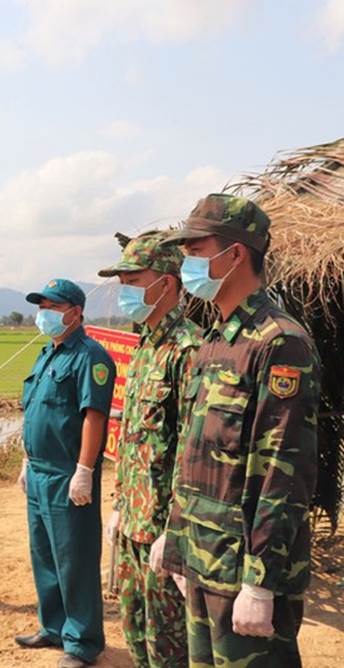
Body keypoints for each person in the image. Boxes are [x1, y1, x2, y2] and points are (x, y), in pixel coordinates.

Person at [160, 194, 321, 667]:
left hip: (244, 575)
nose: (186, 260)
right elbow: (193, 453)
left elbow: (282, 471)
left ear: (234, 254)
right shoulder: (212, 341)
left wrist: (261, 580)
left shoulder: (280, 343)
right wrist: (177, 542)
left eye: (195, 249)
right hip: (203, 560)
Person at [97, 232, 201, 667]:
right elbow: (136, 439)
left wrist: (174, 530)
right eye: (122, 282)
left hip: (163, 530)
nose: (125, 292)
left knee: (169, 646)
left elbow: (192, 451)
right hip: (134, 524)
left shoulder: (188, 350)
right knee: (136, 634)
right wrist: (120, 505)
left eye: (133, 281)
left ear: (168, 284)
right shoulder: (143, 347)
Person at [15, 278, 115, 668]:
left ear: (75, 312)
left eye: (53, 308)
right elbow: (35, 413)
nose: (45, 314)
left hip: (67, 473)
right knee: (44, 555)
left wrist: (85, 470)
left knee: (75, 558)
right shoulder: (46, 354)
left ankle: (83, 641)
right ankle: (53, 626)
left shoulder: (90, 356)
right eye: (41, 307)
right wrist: (26, 461)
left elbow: (94, 416)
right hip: (39, 472)